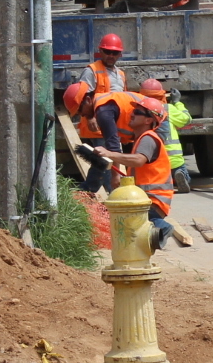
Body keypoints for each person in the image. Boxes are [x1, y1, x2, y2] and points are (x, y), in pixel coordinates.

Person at [91, 96, 176, 250]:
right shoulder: (140, 140)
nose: (131, 114)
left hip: (152, 202)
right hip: (146, 199)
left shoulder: (148, 138)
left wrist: (110, 154)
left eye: (137, 112)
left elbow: (138, 160)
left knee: (122, 219)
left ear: (148, 120)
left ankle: (161, 227)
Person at [140, 77, 192, 192]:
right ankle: (180, 174)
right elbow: (186, 119)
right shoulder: (168, 108)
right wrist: (177, 102)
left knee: (157, 175)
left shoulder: (139, 110)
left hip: (153, 159)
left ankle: (160, 181)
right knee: (180, 169)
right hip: (174, 158)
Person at [78, 33, 127, 103]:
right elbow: (83, 100)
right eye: (107, 52)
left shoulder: (121, 74)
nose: (111, 56)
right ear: (100, 51)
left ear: (119, 54)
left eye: (115, 53)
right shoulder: (91, 71)